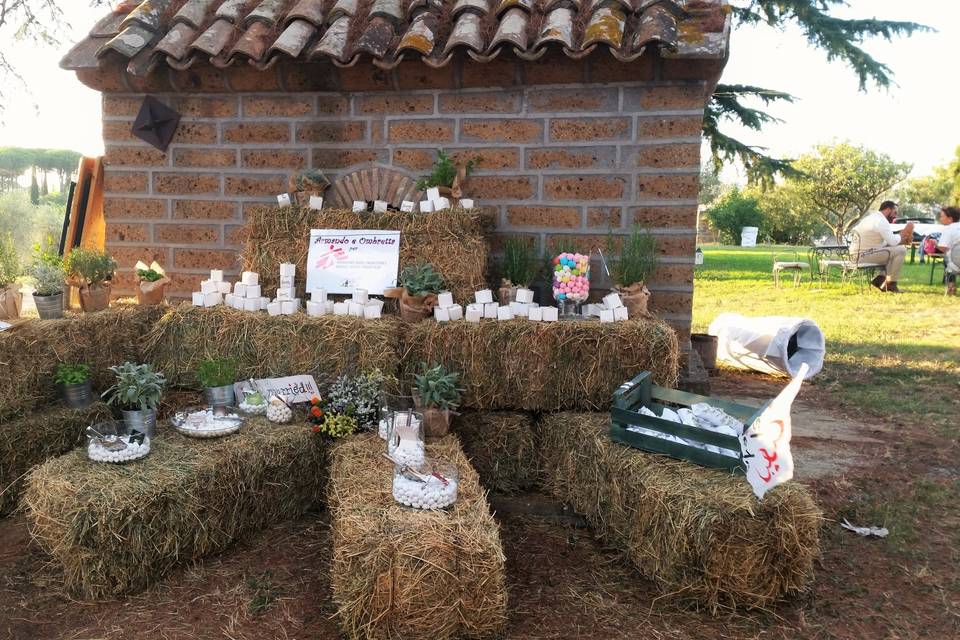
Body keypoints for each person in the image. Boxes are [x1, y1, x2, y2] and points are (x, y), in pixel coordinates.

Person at [850, 201, 914, 293]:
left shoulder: (872, 218)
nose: (895, 216)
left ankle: (880, 279)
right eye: (895, 212)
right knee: (901, 250)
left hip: (856, 255)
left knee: (895, 251)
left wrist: (902, 239)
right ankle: (890, 284)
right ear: (888, 210)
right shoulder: (881, 221)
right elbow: (892, 241)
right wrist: (903, 233)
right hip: (862, 256)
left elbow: (885, 243)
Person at [936, 206, 960, 295]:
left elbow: (942, 248)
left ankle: (951, 286)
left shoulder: (948, 229)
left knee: (948, 260)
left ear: (950, 218)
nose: (940, 218)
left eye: (942, 216)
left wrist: (934, 243)